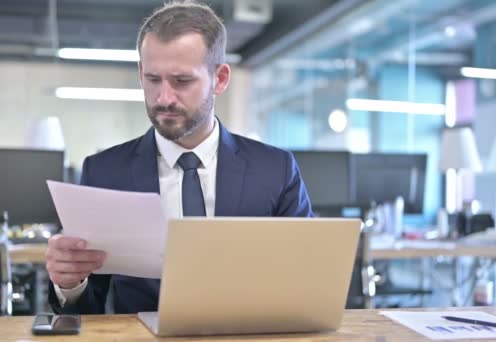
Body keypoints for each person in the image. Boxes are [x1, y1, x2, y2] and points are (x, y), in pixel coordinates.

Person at [46, 0, 313, 315]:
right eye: (153, 79)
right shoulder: (105, 172)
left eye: (182, 81)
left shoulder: (274, 169)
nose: (164, 98)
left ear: (221, 79)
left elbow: (307, 280)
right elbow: (87, 309)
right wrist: (69, 283)